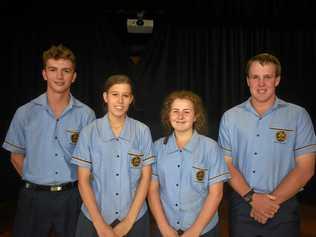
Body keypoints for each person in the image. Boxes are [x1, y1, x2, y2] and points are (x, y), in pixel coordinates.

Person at [2, 44, 96, 237]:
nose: (59, 77)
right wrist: (38, 181)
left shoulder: (86, 115)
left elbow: (91, 161)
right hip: (33, 199)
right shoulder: (25, 113)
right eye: (53, 70)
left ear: (74, 76)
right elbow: (15, 156)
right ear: (44, 74)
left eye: (66, 71)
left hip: (72, 197)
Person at [218, 53, 316, 237]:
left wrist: (269, 203)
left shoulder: (298, 116)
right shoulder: (230, 117)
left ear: (277, 80)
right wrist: (252, 199)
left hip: (283, 206)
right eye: (255, 77)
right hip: (242, 205)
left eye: (267, 77)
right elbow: (226, 164)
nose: (261, 83)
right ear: (248, 81)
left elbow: (306, 168)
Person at [71, 74, 155, 237]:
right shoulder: (89, 132)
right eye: (115, 94)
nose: (120, 101)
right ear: (105, 97)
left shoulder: (142, 131)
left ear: (131, 99)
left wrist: (129, 221)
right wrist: (99, 224)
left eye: (125, 95)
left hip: (135, 216)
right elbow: (83, 181)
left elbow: (146, 177)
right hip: (94, 216)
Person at [148, 90, 230, 237]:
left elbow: (216, 194)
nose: (180, 116)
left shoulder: (210, 148)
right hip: (166, 230)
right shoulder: (157, 147)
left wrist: (194, 231)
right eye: (175, 111)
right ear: (168, 115)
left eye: (186, 112)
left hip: (204, 231)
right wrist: (164, 227)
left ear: (195, 116)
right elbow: (152, 190)